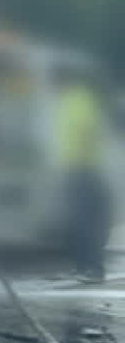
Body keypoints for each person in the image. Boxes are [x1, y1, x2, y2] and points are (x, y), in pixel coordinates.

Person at [57, 62, 111, 284]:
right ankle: (81, 266)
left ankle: (93, 268)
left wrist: (85, 161)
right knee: (76, 222)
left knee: (85, 222)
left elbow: (90, 132)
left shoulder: (80, 101)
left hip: (83, 169)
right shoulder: (69, 101)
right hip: (74, 169)